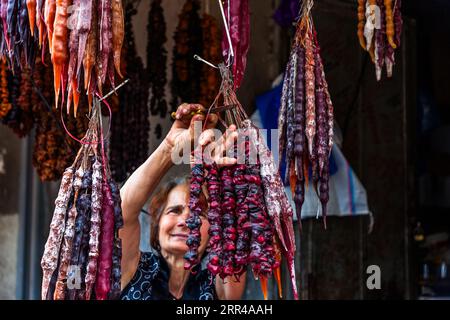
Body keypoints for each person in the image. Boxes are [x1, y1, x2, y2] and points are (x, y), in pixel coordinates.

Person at [119, 103, 246, 300]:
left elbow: (232, 237)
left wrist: (214, 183)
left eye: (200, 213)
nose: (186, 220)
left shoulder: (216, 287)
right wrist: (171, 147)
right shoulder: (132, 270)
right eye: (174, 210)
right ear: (157, 222)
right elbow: (122, 212)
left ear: (214, 231)